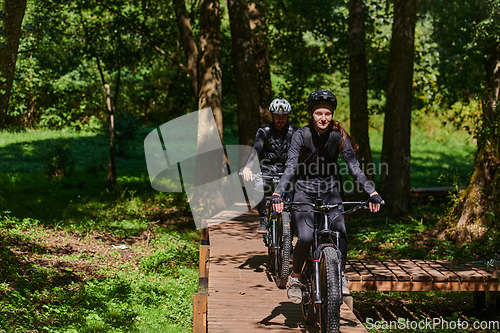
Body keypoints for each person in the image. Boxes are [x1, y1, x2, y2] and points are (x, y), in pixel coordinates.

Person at [271, 89, 382, 304]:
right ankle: (295, 278)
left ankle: (339, 276)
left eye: (328, 114)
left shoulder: (338, 136)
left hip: (331, 191)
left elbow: (354, 167)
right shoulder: (300, 135)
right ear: (311, 114)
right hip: (304, 191)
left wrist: (372, 192)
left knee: (340, 232)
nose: (323, 118)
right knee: (304, 237)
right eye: (319, 113)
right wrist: (278, 192)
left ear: (332, 115)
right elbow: (291, 167)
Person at [242, 97, 297, 233]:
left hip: (287, 169)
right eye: (277, 116)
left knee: (293, 192)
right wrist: (248, 167)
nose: (280, 119)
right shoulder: (264, 131)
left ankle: (289, 221)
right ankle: (263, 218)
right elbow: (256, 151)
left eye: (283, 116)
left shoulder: (294, 132)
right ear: (272, 116)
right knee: (258, 187)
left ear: (287, 116)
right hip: (267, 169)